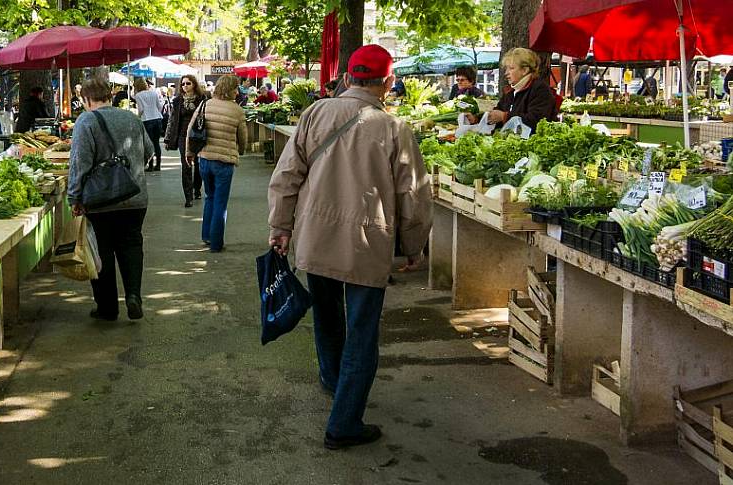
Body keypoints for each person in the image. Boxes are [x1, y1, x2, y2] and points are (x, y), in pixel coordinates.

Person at [267, 44, 432, 450]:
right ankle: (344, 422)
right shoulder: (394, 129)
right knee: (362, 332)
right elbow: (413, 195)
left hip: (316, 236)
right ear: (388, 83)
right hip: (366, 243)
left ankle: (332, 378)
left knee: (326, 316)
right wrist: (413, 247)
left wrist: (280, 227)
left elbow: (287, 175)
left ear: (346, 78)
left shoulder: (314, 114)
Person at [68, 78, 153, 321]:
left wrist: (74, 196)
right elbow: (148, 151)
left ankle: (107, 307)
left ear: (86, 99)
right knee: (132, 245)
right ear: (109, 95)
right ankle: (134, 296)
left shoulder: (86, 121)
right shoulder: (131, 118)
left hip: (100, 199)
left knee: (101, 251)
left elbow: (80, 162)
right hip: (135, 196)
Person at [185, 75, 246, 253]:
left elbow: (191, 128)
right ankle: (217, 243)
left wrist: (190, 152)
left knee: (209, 198)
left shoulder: (206, 104)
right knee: (220, 202)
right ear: (231, 90)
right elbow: (242, 137)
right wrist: (240, 151)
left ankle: (207, 236)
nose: (237, 91)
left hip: (204, 159)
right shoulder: (237, 111)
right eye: (236, 88)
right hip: (224, 162)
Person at [468, 47, 558, 133]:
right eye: (506, 68)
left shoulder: (540, 89)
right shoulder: (511, 91)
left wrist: (505, 116)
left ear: (525, 70)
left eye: (511, 68)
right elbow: (497, 113)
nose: (506, 73)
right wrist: (476, 119)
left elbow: (536, 120)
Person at [165, 74, 208, 206]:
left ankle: (197, 188)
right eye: (183, 84)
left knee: (199, 164)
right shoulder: (178, 101)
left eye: (188, 83)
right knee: (186, 165)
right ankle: (188, 196)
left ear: (194, 84)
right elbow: (172, 120)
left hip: (198, 136)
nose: (185, 86)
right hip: (183, 136)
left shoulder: (202, 99)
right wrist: (168, 138)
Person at [134, 78, 164, 172]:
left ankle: (150, 166)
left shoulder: (138, 95)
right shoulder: (154, 93)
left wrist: (138, 117)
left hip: (146, 120)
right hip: (157, 119)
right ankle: (158, 164)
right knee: (156, 143)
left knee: (148, 144)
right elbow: (159, 106)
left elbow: (141, 109)